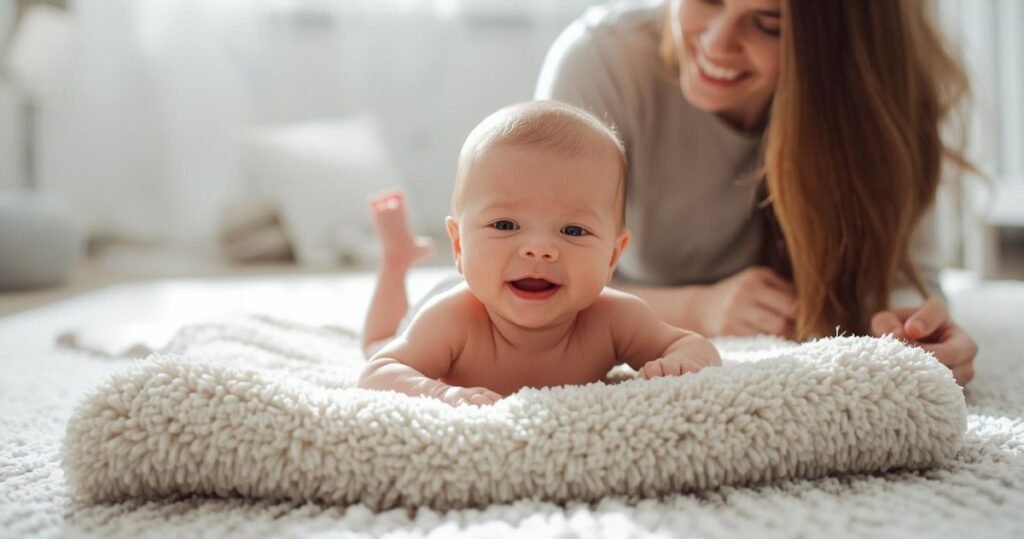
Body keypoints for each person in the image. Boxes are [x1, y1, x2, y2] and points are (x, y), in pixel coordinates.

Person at [535, 0, 978, 385]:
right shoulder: (602, 62)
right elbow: (527, 273)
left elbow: (904, 275)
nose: (717, 42)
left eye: (768, 24)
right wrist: (698, 309)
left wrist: (915, 328)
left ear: (838, 44)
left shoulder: (879, 100)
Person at [358, 101, 721, 406]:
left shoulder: (613, 318)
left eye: (573, 231)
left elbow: (694, 347)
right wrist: (440, 393)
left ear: (612, 258)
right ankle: (396, 260)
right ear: (458, 245)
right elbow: (377, 371)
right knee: (379, 340)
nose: (539, 249)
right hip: (435, 302)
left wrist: (678, 365)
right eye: (504, 225)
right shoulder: (453, 320)